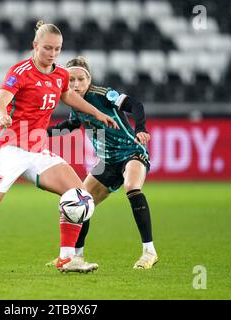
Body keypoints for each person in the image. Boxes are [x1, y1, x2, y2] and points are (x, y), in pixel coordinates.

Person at [0, 21, 119, 273]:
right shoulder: (21, 71)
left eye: (57, 49)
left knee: (79, 196)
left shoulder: (60, 75)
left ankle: (67, 259)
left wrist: (97, 113)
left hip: (37, 149)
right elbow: (0, 100)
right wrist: (0, 114)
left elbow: (67, 95)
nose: (52, 54)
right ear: (35, 45)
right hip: (9, 147)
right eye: (48, 48)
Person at [46, 56, 158, 269]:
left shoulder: (104, 95)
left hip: (131, 152)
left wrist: (141, 127)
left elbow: (135, 104)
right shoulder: (75, 104)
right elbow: (71, 125)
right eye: (71, 80)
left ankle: (149, 252)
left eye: (81, 79)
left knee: (132, 187)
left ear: (89, 79)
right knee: (81, 202)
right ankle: (76, 257)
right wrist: (41, 132)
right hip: (106, 162)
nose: (76, 85)